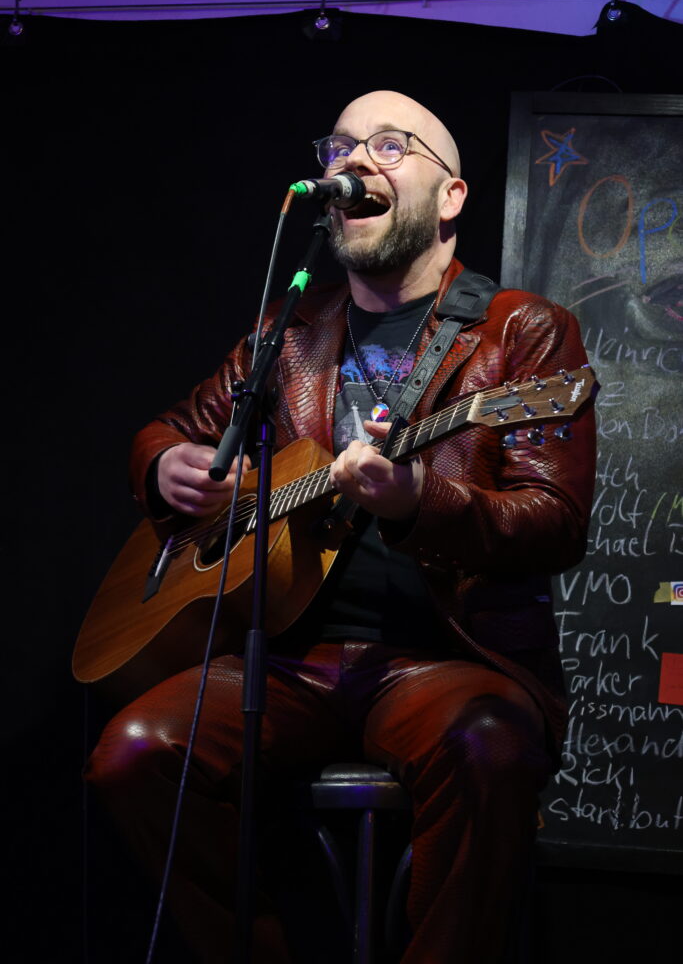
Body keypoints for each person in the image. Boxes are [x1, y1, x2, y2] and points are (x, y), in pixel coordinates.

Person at [87, 90, 596, 963]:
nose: (354, 162)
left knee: (488, 749)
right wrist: (160, 465)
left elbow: (553, 525)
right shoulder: (289, 330)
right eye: (342, 146)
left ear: (450, 197)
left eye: (391, 146)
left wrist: (414, 500)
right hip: (284, 660)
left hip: (446, 659)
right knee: (131, 754)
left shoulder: (522, 335)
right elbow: (175, 428)